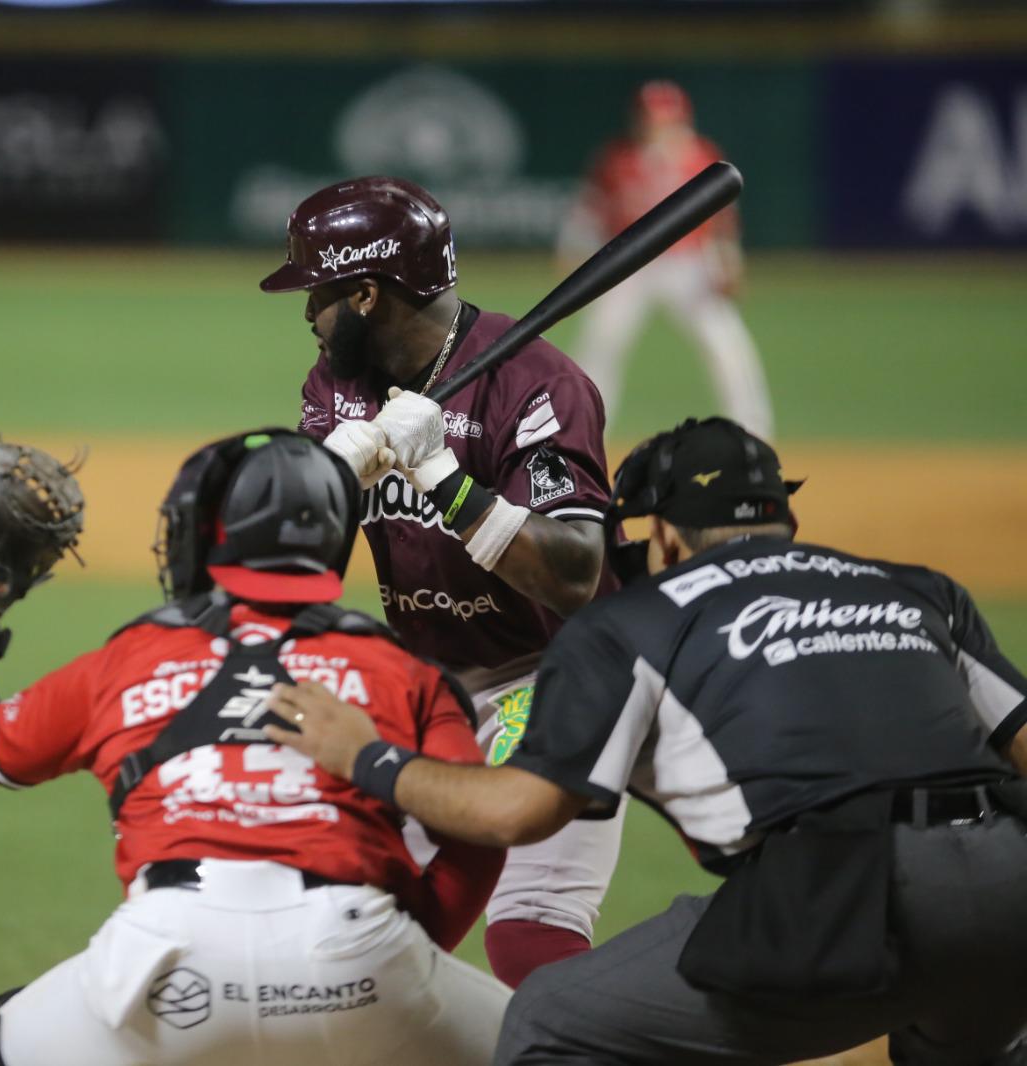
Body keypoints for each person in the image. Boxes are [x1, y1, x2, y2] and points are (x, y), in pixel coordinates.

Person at [266, 416, 1027, 1065]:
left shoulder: (637, 619)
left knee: (548, 1021)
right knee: (965, 1034)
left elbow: (516, 814)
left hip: (837, 892)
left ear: (661, 535)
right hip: (1007, 885)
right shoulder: (917, 589)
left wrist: (368, 756)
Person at [0, 430, 511, 1066]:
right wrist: (404, 951)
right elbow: (479, 828)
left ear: (203, 534)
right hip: (358, 948)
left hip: (161, 962)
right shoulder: (404, 672)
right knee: (561, 1038)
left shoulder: (129, 660)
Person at [262, 175, 622, 985]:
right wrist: (330, 476)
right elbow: (300, 556)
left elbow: (575, 572)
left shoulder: (540, 384)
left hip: (559, 675)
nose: (306, 312)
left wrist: (446, 479)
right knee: (355, 918)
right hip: (428, 682)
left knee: (531, 932)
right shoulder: (337, 383)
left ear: (363, 292)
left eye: (317, 291)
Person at [558, 81, 774, 440]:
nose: (655, 125)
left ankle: (754, 432)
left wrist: (728, 262)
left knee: (726, 344)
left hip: (687, 265)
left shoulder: (700, 155)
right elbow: (590, 210)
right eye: (649, 117)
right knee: (599, 344)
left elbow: (722, 218)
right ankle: (581, 435)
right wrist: (573, 249)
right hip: (628, 265)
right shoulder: (617, 158)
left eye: (663, 118)